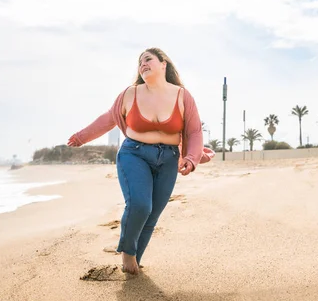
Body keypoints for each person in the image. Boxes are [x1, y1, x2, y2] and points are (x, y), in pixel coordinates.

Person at [67, 48, 214, 275]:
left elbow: (194, 132)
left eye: (148, 59)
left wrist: (192, 158)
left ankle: (136, 259)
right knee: (140, 205)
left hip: (168, 159)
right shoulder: (130, 94)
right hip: (134, 154)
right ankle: (127, 253)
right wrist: (81, 137)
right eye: (139, 62)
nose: (143, 64)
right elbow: (108, 119)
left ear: (163, 63)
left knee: (152, 214)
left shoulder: (182, 96)